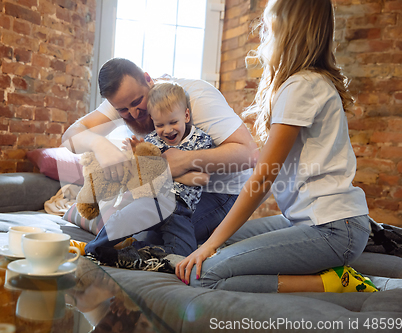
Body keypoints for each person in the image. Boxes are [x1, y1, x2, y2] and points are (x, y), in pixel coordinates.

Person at [175, 0, 378, 294]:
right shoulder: (303, 83)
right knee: (211, 247)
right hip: (302, 221)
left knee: (203, 274)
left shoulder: (302, 86)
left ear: (288, 24)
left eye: (270, 19)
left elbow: (263, 177)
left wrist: (210, 246)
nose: (264, 28)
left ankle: (334, 282)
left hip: (333, 228)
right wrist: (212, 243)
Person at [62, 58, 257, 246]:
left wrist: (185, 160)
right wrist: (100, 145)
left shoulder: (197, 97)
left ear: (148, 79)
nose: (134, 114)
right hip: (166, 188)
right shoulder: (123, 98)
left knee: (151, 237)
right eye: (123, 110)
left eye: (138, 101)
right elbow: (70, 136)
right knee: (123, 223)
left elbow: (249, 154)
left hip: (221, 191)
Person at [84, 82, 214, 257]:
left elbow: (202, 179)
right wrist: (138, 156)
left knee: (182, 253)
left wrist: (159, 168)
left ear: (186, 115)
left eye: (173, 122)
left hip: (181, 208)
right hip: (152, 199)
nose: (167, 130)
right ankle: (93, 249)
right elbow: (141, 172)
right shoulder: (151, 140)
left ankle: (133, 252)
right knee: (122, 219)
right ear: (153, 120)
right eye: (160, 125)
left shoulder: (201, 140)